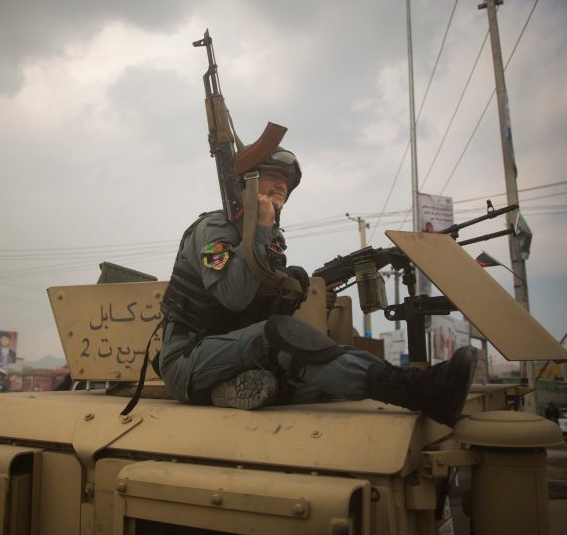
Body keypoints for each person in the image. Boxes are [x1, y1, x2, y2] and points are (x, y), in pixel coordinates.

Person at [156, 145, 475, 426]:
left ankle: (417, 386)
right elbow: (233, 295)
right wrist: (262, 226)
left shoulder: (270, 242)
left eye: (286, 180)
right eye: (272, 175)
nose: (282, 183)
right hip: (188, 361)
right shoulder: (214, 229)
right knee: (282, 336)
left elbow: (253, 312)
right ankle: (419, 390)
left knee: (324, 369)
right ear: (246, 181)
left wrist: (298, 295)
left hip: (234, 357)